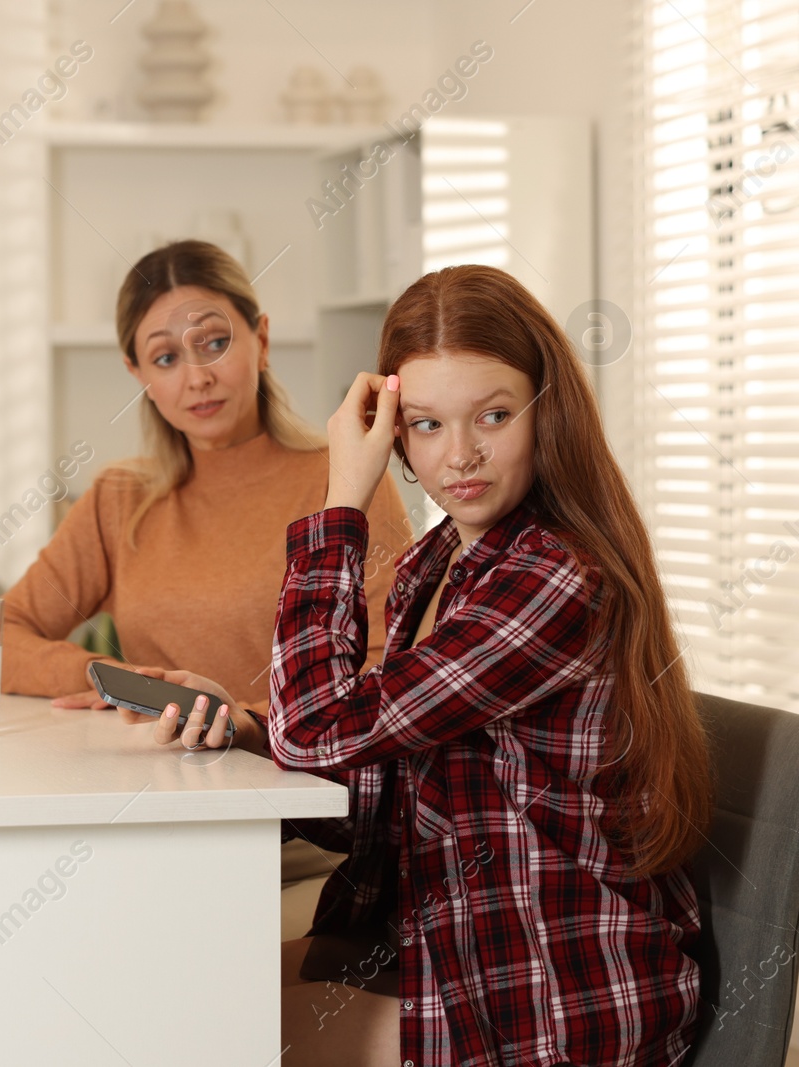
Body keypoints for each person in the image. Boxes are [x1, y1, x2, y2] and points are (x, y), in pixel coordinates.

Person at [137, 264, 711, 1066]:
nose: (462, 456)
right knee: (157, 994)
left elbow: (322, 734)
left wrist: (344, 497)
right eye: (430, 424)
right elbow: (375, 793)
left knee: (191, 1034)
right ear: (397, 430)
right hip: (442, 945)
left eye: (495, 415)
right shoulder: (437, 563)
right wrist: (245, 731)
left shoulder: (550, 579)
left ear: (547, 414)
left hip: (544, 990)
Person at [1, 240, 411, 710]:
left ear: (261, 341)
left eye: (216, 343)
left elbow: (392, 664)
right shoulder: (118, 498)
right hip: (158, 773)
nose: (197, 378)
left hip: (306, 773)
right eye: (166, 359)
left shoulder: (348, 476)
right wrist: (109, 679)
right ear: (138, 375)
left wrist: (242, 723)